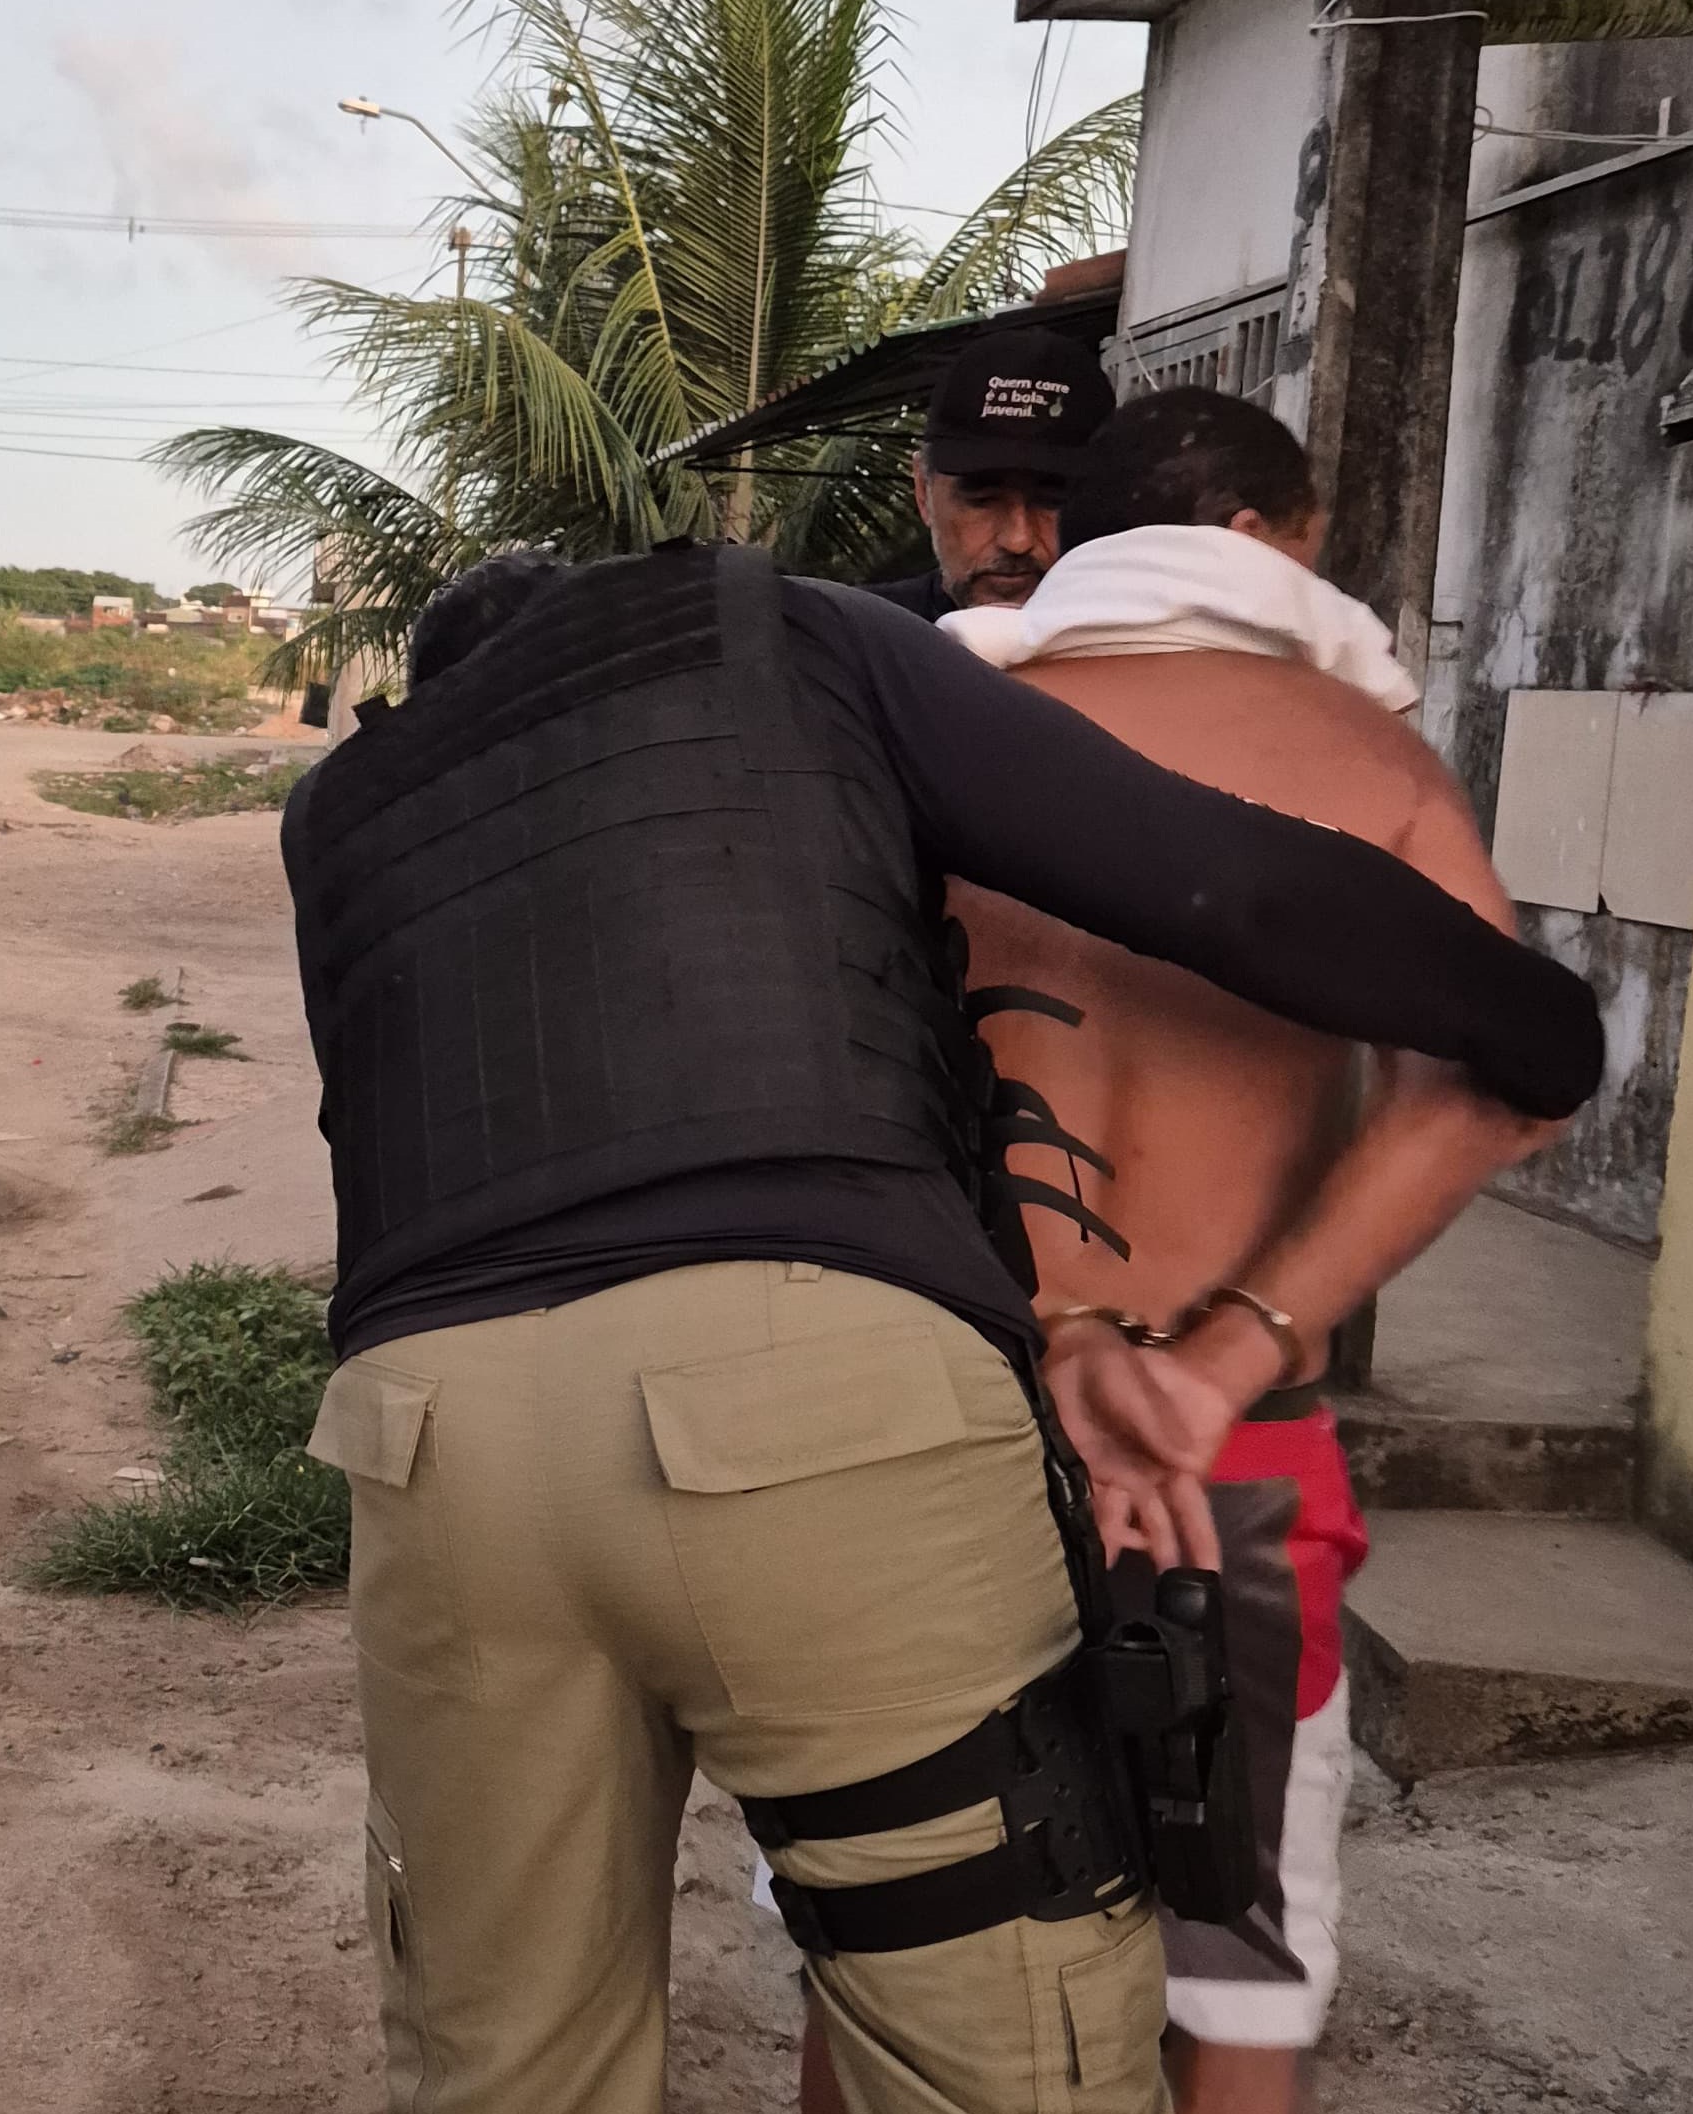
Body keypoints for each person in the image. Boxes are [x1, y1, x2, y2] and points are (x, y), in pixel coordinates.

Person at [280, 544, 1602, 2114]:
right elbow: (1219, 886)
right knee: (1000, 2048)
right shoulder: (774, 628)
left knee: (503, 2064)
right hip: (807, 1398)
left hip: (431, 1437)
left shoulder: (342, 807)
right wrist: (1537, 1021)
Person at [945, 386, 1543, 2111]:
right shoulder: (1371, 762)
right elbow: (1504, 1083)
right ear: (1273, 540)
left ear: (1083, 537)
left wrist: (1059, 1323)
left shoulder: (938, 743)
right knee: (1237, 1974)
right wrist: (1222, 1356)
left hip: (959, 1416)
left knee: (901, 1944)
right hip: (1233, 1451)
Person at [863, 327, 1112, 619]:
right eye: (982, 500)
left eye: (1053, 501)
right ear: (922, 492)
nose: (1018, 540)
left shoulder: (1149, 636)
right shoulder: (853, 636)